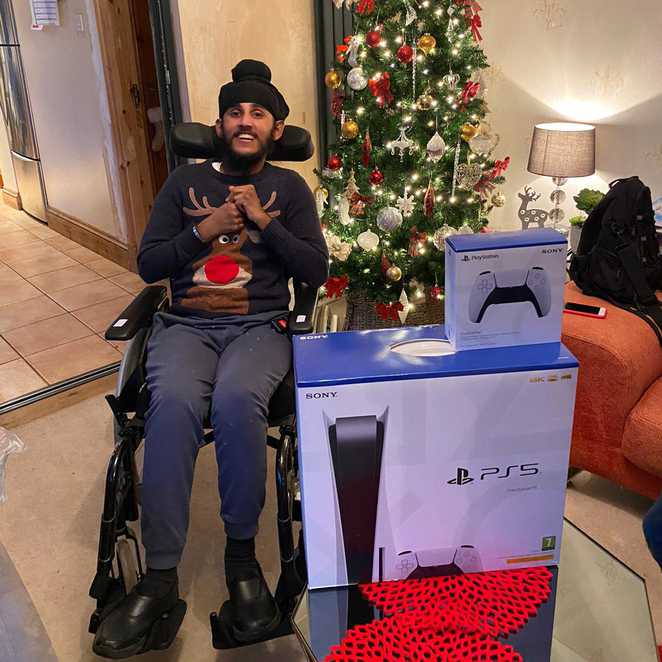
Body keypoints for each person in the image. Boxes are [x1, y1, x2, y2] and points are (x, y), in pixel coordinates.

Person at [93, 59, 328, 658]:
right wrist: (207, 229)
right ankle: (160, 576)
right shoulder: (183, 184)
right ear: (219, 123)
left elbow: (315, 271)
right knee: (170, 406)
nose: (245, 122)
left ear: (278, 129)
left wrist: (260, 222)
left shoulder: (290, 189)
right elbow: (149, 266)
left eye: (258, 114)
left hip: (259, 327)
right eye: (235, 112)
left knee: (235, 400)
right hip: (186, 325)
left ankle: (242, 560)